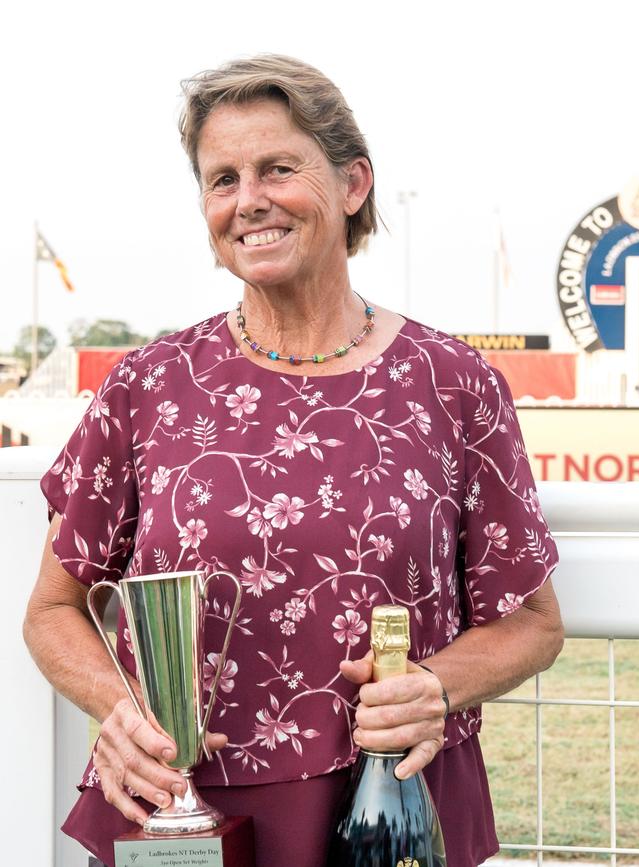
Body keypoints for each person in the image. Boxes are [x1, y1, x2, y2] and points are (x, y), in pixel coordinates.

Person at [24, 54, 563, 867]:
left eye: (279, 168)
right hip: (184, 818)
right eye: (222, 179)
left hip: (393, 810)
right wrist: (120, 711)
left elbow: (533, 620)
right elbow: (51, 609)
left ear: (352, 186)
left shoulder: (453, 383)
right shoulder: (148, 386)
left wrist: (435, 688)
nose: (249, 201)